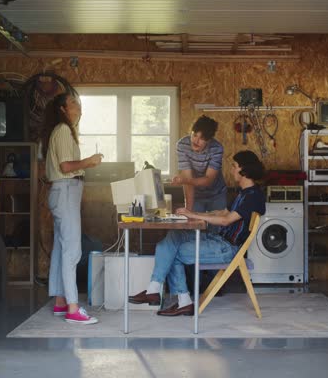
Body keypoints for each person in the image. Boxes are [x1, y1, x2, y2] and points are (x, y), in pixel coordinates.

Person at [129, 150, 266, 317]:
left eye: (234, 166)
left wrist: (193, 215)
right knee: (173, 237)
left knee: (174, 252)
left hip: (227, 249)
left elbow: (226, 220)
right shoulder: (244, 193)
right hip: (219, 241)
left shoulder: (253, 196)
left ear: (244, 170)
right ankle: (154, 289)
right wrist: (193, 214)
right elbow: (222, 212)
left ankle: (182, 301)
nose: (231, 170)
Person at [42, 92, 103, 325]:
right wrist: (90, 161)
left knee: (60, 249)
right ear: (62, 109)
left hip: (62, 192)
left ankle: (60, 302)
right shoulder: (63, 130)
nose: (79, 107)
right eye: (74, 103)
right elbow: (66, 166)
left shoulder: (59, 131)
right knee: (72, 251)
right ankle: (73, 309)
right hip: (66, 191)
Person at [172, 115, 227, 212]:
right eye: (194, 135)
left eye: (202, 138)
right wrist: (188, 210)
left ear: (209, 140)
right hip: (195, 195)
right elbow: (188, 180)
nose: (196, 141)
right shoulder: (182, 145)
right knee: (193, 224)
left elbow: (208, 180)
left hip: (217, 194)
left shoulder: (217, 148)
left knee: (216, 226)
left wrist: (184, 180)